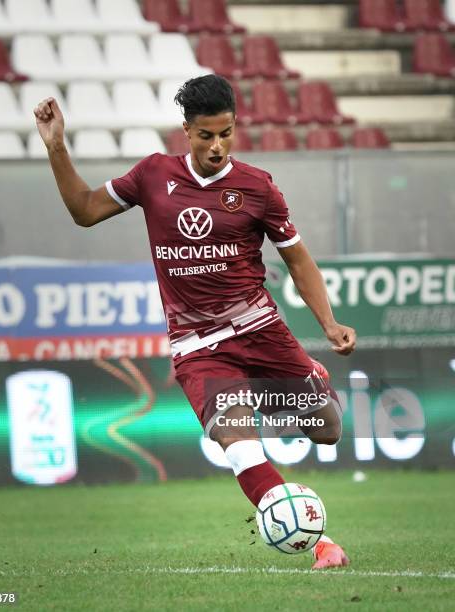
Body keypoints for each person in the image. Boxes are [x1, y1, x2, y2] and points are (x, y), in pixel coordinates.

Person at [34, 74, 356, 569]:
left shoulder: (257, 186)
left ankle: (306, 378)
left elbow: (297, 258)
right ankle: (321, 544)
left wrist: (329, 323)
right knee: (239, 443)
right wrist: (57, 148)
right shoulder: (152, 176)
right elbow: (84, 210)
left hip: (260, 329)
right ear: (186, 130)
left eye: (226, 133)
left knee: (328, 429)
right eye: (206, 135)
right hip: (197, 346)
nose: (217, 146)